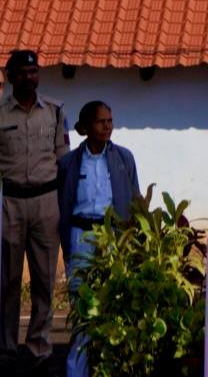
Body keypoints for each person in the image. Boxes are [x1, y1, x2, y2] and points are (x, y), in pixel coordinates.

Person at [57, 102, 140, 377]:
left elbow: (135, 200)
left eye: (110, 120)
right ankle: (76, 371)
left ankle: (109, 369)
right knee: (83, 308)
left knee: (112, 306)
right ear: (85, 127)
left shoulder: (123, 158)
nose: (107, 126)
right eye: (100, 121)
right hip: (81, 236)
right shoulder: (69, 163)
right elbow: (62, 204)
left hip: (113, 237)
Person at [0, 49, 68, 369]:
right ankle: (7, 345)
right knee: (8, 280)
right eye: (23, 72)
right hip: (10, 202)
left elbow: (63, 159)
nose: (30, 77)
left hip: (46, 203)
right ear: (9, 77)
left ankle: (40, 346)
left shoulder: (54, 111)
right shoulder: (0, 114)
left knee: (44, 278)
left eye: (34, 71)